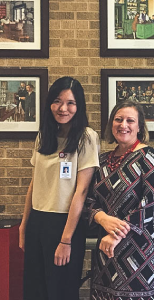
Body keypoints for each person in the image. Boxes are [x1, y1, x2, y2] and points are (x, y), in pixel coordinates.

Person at [19, 77, 100, 300]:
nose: (63, 108)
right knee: (35, 290)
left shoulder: (87, 137)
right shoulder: (44, 136)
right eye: (57, 101)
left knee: (60, 291)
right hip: (38, 221)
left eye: (70, 103)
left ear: (79, 105)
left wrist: (65, 240)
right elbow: (34, 184)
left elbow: (81, 192)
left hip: (65, 224)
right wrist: (24, 226)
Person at [85, 100, 154, 300]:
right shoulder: (102, 160)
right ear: (111, 124)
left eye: (130, 120)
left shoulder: (149, 157)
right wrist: (101, 218)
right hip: (107, 250)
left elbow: (150, 204)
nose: (123, 125)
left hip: (140, 251)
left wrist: (117, 234)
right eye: (118, 119)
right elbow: (88, 200)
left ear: (139, 127)